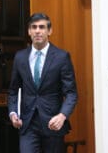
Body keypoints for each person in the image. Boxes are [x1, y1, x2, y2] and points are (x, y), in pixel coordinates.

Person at [8, 12, 78, 153]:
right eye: (34, 27)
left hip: (53, 123)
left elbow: (71, 93)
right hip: (28, 124)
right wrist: (13, 112)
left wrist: (62, 115)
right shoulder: (20, 57)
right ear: (29, 31)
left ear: (49, 31)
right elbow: (13, 91)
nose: (38, 31)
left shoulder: (61, 57)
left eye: (42, 27)